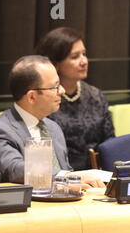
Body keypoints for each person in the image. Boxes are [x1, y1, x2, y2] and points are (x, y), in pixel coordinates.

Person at [0, 55, 104, 187]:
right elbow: (14, 169)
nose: (62, 91)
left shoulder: (53, 127)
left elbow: (66, 173)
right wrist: (67, 177)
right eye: (55, 87)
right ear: (32, 97)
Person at [35, 27, 114, 170]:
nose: (84, 61)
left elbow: (110, 143)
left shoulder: (96, 96)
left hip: (96, 176)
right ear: (56, 63)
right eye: (75, 56)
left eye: (84, 54)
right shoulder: (44, 97)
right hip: (57, 176)